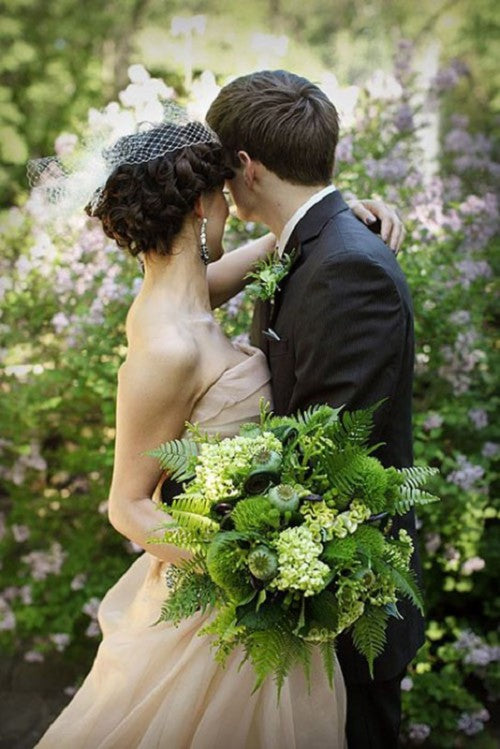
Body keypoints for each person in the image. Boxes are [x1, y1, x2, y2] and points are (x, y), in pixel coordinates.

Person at [33, 116, 404, 749]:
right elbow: (127, 506)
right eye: (222, 198)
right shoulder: (167, 345)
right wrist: (247, 565)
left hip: (257, 583)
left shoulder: (192, 295)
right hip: (223, 602)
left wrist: (356, 212)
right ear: (202, 204)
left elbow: (283, 239)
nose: (231, 209)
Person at [205, 69, 423, 749]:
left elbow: (326, 453)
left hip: (344, 595)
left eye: (220, 167)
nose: (217, 184)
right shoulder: (307, 244)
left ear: (246, 165)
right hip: (305, 587)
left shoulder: (345, 266)